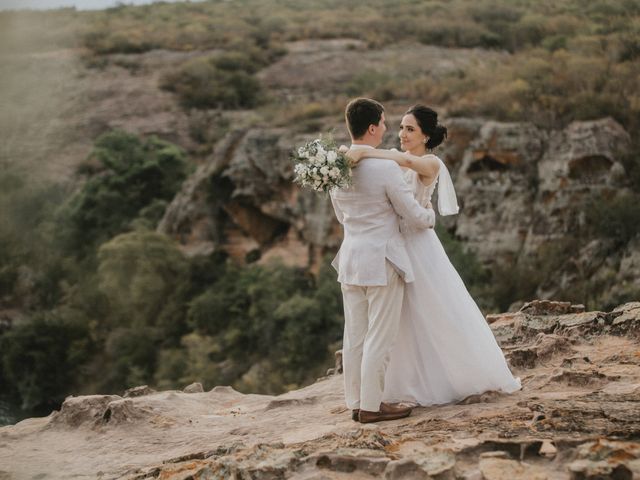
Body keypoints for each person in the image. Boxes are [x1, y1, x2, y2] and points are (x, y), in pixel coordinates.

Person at [344, 105, 521, 406]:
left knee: (433, 312)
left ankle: (447, 377)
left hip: (418, 245)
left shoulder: (431, 163)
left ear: (426, 135)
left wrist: (360, 152)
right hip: (393, 245)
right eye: (400, 127)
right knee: (397, 323)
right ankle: (392, 386)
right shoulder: (389, 160)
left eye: (410, 129)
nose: (402, 133)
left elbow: (403, 162)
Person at [330, 98, 437, 423]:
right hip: (383, 259)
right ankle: (373, 407)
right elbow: (414, 216)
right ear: (374, 127)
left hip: (350, 257)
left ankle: (356, 402)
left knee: (355, 335)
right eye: (386, 123)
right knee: (380, 336)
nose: (390, 129)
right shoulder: (386, 168)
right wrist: (430, 216)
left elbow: (341, 216)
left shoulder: (337, 166)